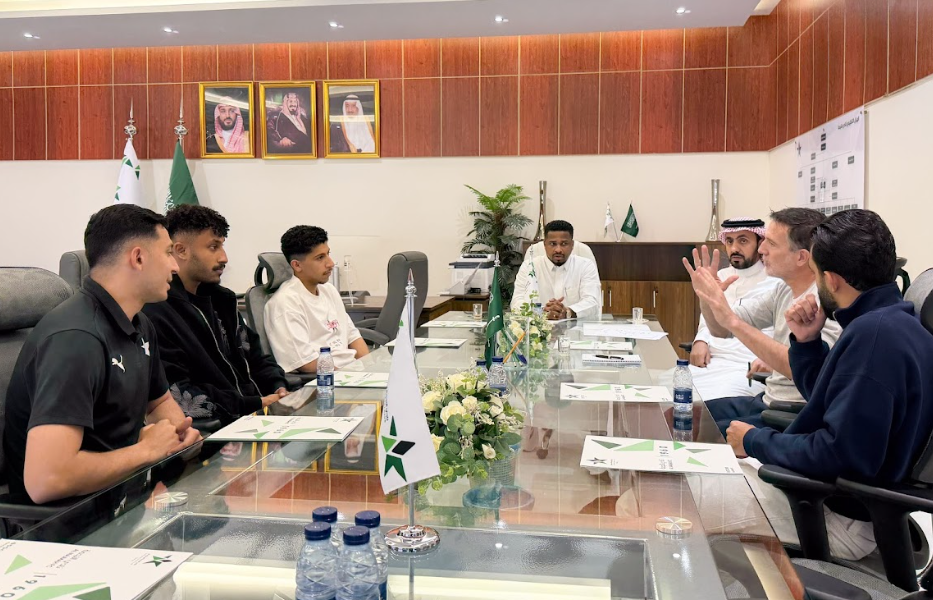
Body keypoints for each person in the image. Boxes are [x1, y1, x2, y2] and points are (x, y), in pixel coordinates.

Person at [724, 209, 933, 560]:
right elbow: (833, 400)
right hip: (833, 497)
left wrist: (754, 441)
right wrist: (807, 343)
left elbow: (838, 454)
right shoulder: (893, 321)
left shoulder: (873, 339)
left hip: (832, 513)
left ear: (831, 280)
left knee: (690, 494)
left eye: (816, 273)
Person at [3, 205, 200, 505]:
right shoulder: (76, 339)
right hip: (70, 520)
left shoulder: (138, 322)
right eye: (168, 253)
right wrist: (147, 451)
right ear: (138, 258)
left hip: (125, 498)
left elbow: (158, 401)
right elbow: (46, 480)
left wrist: (179, 436)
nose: (175, 266)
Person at [683, 208, 842, 435]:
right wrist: (706, 297)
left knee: (696, 433)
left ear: (801, 257)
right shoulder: (783, 289)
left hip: (792, 414)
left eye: (771, 243)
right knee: (681, 414)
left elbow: (805, 369)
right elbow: (720, 330)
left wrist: (731, 321)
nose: (761, 249)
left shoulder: (826, 300)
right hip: (766, 400)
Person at [143, 205, 290, 425]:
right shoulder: (157, 311)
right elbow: (178, 393)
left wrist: (278, 387)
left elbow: (256, 357)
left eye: (222, 246)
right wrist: (253, 404)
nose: (224, 257)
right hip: (219, 428)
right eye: (213, 247)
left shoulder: (223, 301)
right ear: (181, 251)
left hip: (261, 417)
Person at [689, 218, 779, 400]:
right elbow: (709, 320)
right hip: (711, 361)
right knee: (666, 387)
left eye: (743, 241)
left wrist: (772, 362)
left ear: (760, 243)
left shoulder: (775, 281)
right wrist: (700, 340)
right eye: (729, 241)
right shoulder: (720, 276)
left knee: (710, 400)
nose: (734, 248)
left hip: (747, 366)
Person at [265, 225, 370, 373]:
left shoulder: (329, 290)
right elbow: (306, 363)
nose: (330, 263)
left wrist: (369, 367)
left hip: (353, 372)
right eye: (320, 258)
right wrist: (349, 374)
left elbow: (353, 337)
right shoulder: (285, 303)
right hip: (327, 379)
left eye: (328, 254)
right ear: (297, 265)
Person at [511, 220, 601, 320]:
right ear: (544, 244)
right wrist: (541, 312)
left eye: (564, 244)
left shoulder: (585, 266)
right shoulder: (529, 266)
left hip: (575, 328)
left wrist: (568, 312)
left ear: (572, 245)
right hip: (539, 327)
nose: (558, 250)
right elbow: (516, 302)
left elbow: (593, 302)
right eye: (553, 244)